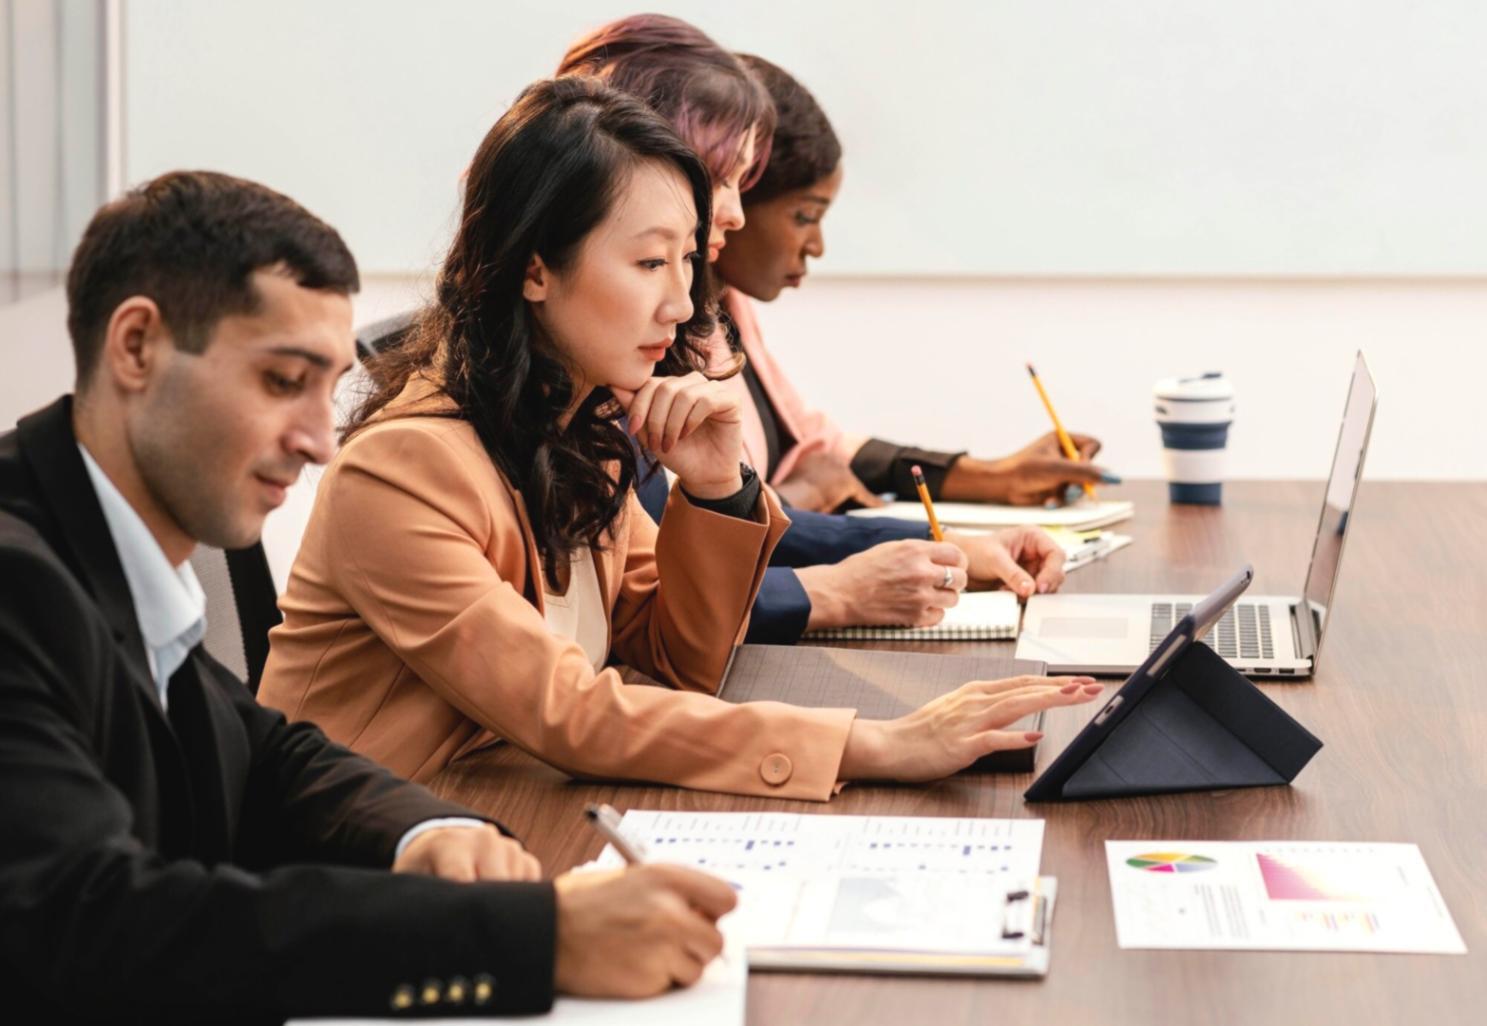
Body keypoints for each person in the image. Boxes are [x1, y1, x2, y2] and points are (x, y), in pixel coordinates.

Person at [0, 169, 742, 1021]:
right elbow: (95, 921)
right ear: (135, 346)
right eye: (283, 382)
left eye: (326, 389)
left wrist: (427, 832)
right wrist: (530, 937)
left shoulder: (98, 542)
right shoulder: (19, 585)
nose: (320, 441)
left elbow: (266, 756)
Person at [258, 77, 1102, 803]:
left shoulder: (572, 429)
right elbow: (566, 709)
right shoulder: (407, 466)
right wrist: (876, 744)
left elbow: (676, 660)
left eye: (688, 263)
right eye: (649, 264)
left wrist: (717, 491)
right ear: (533, 268)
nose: (679, 302)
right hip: (373, 853)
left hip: (506, 809)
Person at [561, 15, 1080, 644]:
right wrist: (835, 593)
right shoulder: (576, 379)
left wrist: (942, 541)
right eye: (721, 180)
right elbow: (640, 612)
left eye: (740, 185)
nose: (731, 213)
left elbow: (781, 481)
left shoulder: (665, 333)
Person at [713, 53, 1113, 512]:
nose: (817, 246)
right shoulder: (665, 336)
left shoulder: (727, 307)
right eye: (805, 216)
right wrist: (795, 500)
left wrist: (995, 477)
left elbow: (815, 443)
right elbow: (689, 532)